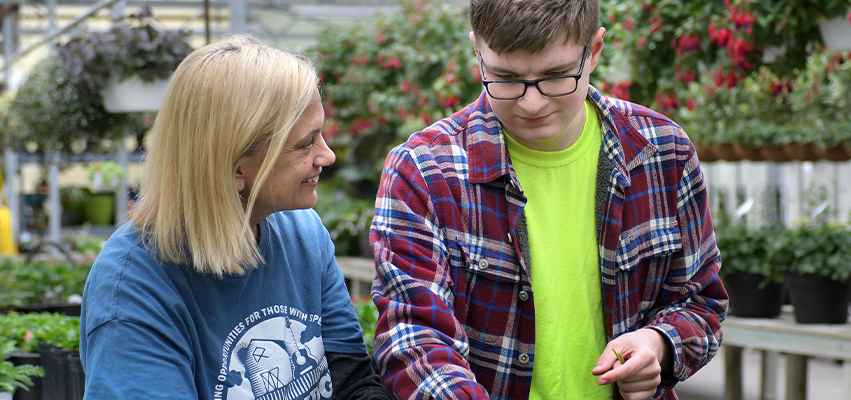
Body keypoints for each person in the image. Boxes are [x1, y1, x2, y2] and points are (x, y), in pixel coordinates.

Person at [369, 1, 728, 399]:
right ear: (477, 52)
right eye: (505, 78)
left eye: (556, 76)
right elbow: (413, 336)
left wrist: (658, 343)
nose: (532, 102)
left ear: (593, 51)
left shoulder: (663, 152)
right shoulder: (424, 171)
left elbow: (701, 301)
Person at [80, 36, 391, 400]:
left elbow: (351, 379)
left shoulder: (304, 234)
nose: (328, 156)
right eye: (306, 143)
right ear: (235, 166)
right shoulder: (134, 289)